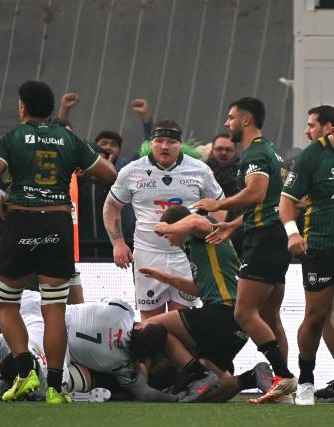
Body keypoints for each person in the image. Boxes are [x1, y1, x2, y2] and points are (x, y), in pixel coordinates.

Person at [0, 80, 116, 404]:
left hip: (21, 220)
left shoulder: (12, 138)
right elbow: (109, 173)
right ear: (52, 109)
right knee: (55, 309)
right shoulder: (69, 138)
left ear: (23, 107)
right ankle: (55, 387)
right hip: (58, 222)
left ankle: (25, 371)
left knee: (6, 303)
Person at [195, 97, 296, 403]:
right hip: (272, 235)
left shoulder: (255, 153)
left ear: (246, 120)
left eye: (231, 118)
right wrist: (233, 225)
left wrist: (219, 204)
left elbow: (256, 192)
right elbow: (267, 202)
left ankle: (284, 378)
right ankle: (284, 389)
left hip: (264, 239)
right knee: (269, 314)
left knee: (243, 312)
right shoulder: (271, 151)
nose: (227, 123)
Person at [103, 120, 224, 320]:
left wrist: (209, 237)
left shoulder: (200, 170)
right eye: (159, 140)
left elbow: (220, 205)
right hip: (147, 253)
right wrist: (117, 243)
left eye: (171, 142)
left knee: (183, 320)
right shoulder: (132, 171)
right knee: (151, 321)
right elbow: (111, 207)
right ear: (151, 143)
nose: (165, 146)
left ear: (180, 145)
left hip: (186, 256)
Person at [138, 206, 247, 376]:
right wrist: (165, 278)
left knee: (150, 326)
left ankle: (197, 375)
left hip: (223, 312)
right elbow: (199, 290)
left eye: (169, 235)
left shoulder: (206, 234)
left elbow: (195, 220)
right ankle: (250, 378)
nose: (168, 240)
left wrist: (166, 227)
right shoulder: (198, 249)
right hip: (238, 323)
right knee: (213, 384)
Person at [279, 130, 334, 405]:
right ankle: (306, 380)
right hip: (322, 247)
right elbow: (286, 201)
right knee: (316, 316)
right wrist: (292, 232)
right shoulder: (312, 155)